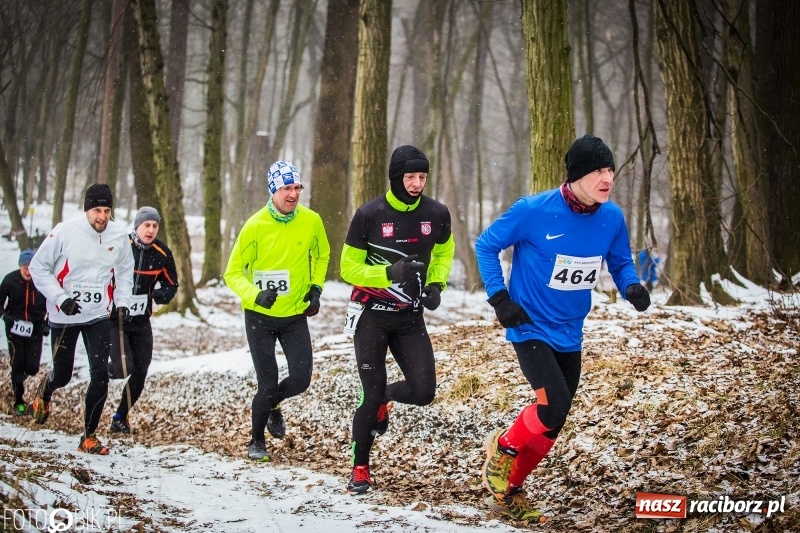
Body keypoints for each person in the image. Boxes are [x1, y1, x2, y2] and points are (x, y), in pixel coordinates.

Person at [475, 134, 651, 521]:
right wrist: (500, 300)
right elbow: (486, 245)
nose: (607, 178)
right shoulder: (533, 210)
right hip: (530, 325)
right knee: (552, 406)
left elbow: (620, 262)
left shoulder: (612, 217)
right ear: (576, 176)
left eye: (610, 170)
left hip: (571, 330)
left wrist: (632, 286)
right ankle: (502, 449)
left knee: (553, 424)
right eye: (598, 171)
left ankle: (510, 491)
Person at [339, 145, 455, 495]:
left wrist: (436, 284)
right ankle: (360, 466)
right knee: (369, 392)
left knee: (424, 392)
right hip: (371, 316)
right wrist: (389, 272)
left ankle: (385, 399)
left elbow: (445, 249)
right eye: (410, 177)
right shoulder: (369, 214)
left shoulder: (436, 213)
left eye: (422, 177)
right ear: (395, 177)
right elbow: (347, 268)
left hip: (409, 317)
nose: (417, 183)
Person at [224, 160, 330, 462]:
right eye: (286, 188)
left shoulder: (311, 221)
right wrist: (256, 294)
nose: (293, 194)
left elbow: (322, 254)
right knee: (267, 382)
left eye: (297, 187)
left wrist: (316, 287)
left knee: (301, 378)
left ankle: (273, 404)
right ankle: (256, 441)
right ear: (273, 190)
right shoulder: (255, 226)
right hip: (260, 317)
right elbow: (232, 273)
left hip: (294, 315)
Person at [29, 183, 134, 455]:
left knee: (100, 373)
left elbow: (124, 273)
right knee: (62, 374)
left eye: (107, 210)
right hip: (64, 314)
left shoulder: (118, 235)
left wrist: (121, 303)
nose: (102, 216)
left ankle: (89, 436)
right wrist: (60, 297)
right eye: (97, 210)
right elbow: (37, 268)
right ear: (87, 209)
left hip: (98, 314)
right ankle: (46, 389)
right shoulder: (65, 231)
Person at [107, 206, 178, 434]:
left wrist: (163, 295)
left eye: (155, 226)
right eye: (146, 225)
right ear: (137, 226)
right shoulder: (120, 246)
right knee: (122, 367)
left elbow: (171, 284)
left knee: (141, 370)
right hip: (115, 318)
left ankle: (120, 416)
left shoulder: (162, 253)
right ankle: (101, 370)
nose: (150, 230)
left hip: (140, 320)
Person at [1, 249, 48, 416]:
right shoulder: (10, 280)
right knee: (18, 364)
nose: (28, 271)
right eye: (24, 267)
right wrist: (5, 316)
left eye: (31, 267)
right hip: (14, 329)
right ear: (20, 267)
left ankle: (20, 376)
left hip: (35, 329)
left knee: (33, 367)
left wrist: (47, 324)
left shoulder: (42, 282)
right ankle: (18, 401)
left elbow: (51, 303)